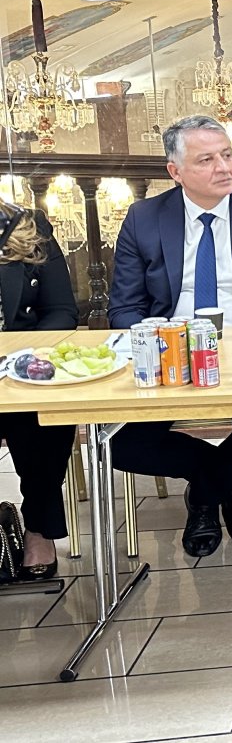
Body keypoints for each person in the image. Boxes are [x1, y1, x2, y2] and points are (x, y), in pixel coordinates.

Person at [109, 115, 232, 559]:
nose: (224, 167)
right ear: (175, 171)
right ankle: (223, 478)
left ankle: (203, 498)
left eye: (227, 155)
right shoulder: (144, 218)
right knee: (118, 443)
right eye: (206, 159)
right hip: (169, 352)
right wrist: (160, 345)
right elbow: (124, 308)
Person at [0, 204, 80, 580]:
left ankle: (37, 526)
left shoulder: (27, 225)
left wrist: (24, 356)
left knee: (48, 416)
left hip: (19, 369)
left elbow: (62, 311)